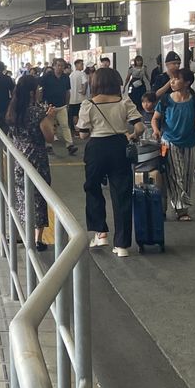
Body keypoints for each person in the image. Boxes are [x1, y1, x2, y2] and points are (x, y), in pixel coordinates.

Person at [76, 67, 144, 258]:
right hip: (119, 146)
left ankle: (101, 233)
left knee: (92, 187)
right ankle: (122, 245)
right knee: (122, 194)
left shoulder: (87, 105)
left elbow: (83, 134)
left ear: (95, 83)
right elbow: (139, 127)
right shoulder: (124, 101)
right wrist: (131, 136)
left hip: (96, 147)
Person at [152, 67, 195, 221]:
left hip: (192, 143)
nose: (172, 82)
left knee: (187, 175)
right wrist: (156, 130)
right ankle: (181, 209)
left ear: (187, 82)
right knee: (176, 174)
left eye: (176, 79)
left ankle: (182, 204)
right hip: (170, 142)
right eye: (171, 78)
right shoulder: (166, 100)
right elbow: (155, 118)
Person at [8, 75, 55, 251]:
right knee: (39, 197)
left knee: (20, 194)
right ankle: (38, 239)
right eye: (38, 89)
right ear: (31, 92)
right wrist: (50, 118)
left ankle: (21, 232)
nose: (40, 91)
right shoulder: (37, 112)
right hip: (37, 158)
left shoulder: (13, 110)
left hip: (19, 157)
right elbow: (49, 137)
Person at [40, 59, 77, 155]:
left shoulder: (66, 77)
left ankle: (70, 145)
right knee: (50, 126)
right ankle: (48, 146)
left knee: (65, 126)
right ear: (54, 66)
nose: (60, 68)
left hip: (62, 106)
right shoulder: (47, 77)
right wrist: (41, 102)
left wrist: (67, 104)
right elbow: (40, 89)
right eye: (58, 65)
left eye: (62, 66)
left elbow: (67, 92)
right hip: (49, 106)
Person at [69, 58, 88, 135]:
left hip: (72, 99)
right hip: (80, 98)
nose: (82, 66)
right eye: (81, 64)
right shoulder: (82, 74)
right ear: (76, 65)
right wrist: (84, 91)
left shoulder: (71, 75)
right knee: (80, 114)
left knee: (74, 114)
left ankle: (76, 129)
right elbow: (85, 83)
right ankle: (80, 129)